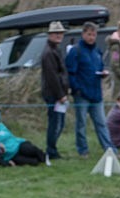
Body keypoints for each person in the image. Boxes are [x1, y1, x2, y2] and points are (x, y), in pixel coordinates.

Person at [66, 21, 116, 158]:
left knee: (101, 123)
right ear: (83, 34)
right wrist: (77, 89)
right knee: (81, 123)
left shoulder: (97, 51)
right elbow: (70, 73)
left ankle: (109, 150)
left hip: (96, 93)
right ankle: (83, 150)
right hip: (82, 94)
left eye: (94, 35)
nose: (91, 37)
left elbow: (100, 68)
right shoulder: (75, 51)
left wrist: (103, 73)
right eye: (89, 34)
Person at [40, 21, 69, 160]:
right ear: (50, 35)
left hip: (58, 93)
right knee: (55, 123)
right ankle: (51, 150)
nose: (59, 35)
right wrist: (60, 95)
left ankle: (52, 148)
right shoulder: (48, 53)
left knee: (59, 122)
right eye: (56, 33)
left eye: (61, 33)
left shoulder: (55, 49)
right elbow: (52, 77)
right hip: (54, 94)